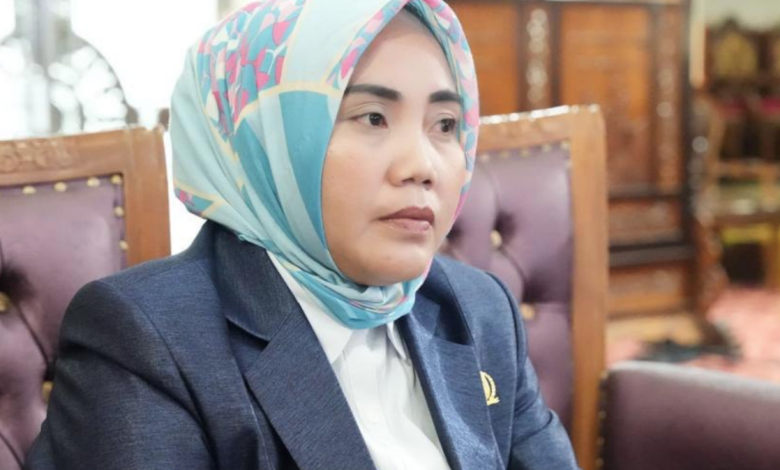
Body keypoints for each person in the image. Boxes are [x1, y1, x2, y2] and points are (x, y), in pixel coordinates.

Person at [25, 1, 579, 469]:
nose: (422, 166)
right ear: (265, 139)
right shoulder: (146, 339)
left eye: (446, 125)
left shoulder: (478, 308)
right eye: (372, 117)